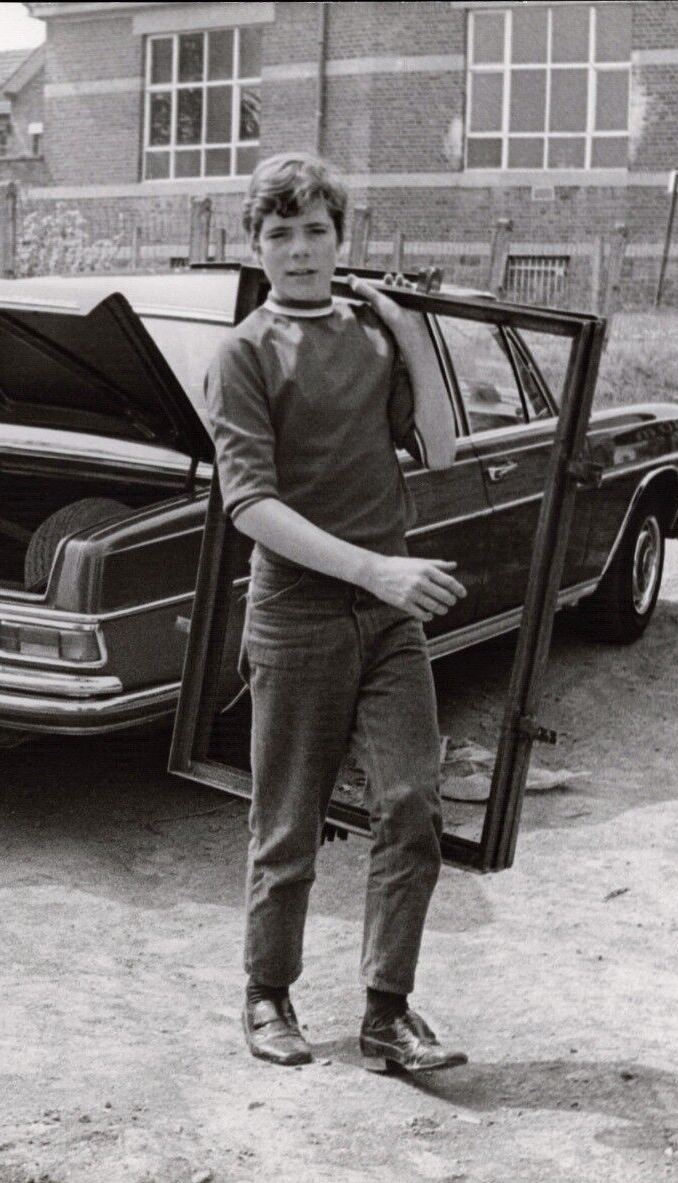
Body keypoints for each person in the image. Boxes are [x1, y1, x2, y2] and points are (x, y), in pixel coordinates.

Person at [205, 153, 468, 1072]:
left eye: (317, 231)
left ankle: (386, 1013)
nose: (300, 250)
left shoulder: (371, 336)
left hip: (387, 618)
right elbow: (251, 507)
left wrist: (411, 336)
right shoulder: (242, 354)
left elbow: (435, 445)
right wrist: (375, 570)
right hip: (298, 612)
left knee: (410, 803)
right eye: (280, 233)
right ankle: (266, 996)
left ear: (339, 241)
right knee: (287, 822)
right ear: (256, 246)